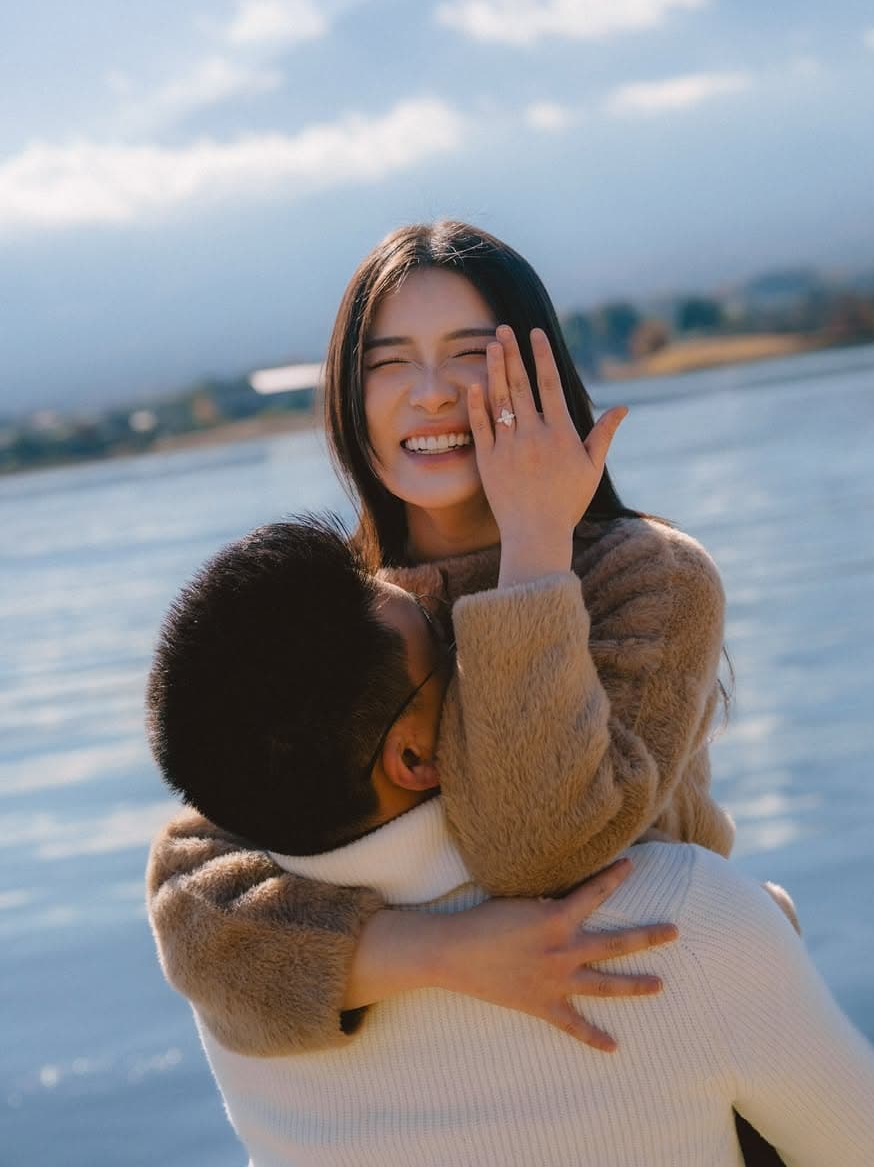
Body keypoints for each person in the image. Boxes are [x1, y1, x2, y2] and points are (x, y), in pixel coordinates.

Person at [146, 219, 787, 1064]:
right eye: (389, 362)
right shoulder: (343, 611)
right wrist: (441, 952)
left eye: (473, 354)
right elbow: (191, 896)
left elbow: (541, 851)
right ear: (348, 397)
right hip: (452, 1091)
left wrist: (534, 548)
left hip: (670, 1060)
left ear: (544, 375)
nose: (431, 393)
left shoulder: (648, 576)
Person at [146, 516, 874, 1167]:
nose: (478, 652)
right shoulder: (673, 920)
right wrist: (755, 946)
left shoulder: (236, 983)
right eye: (451, 646)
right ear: (413, 758)